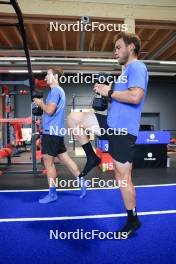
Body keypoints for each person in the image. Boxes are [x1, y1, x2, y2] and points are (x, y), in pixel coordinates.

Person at [67, 32, 149, 238]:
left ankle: (133, 219)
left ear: (131, 47)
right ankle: (92, 156)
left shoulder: (138, 67)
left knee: (122, 178)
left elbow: (135, 96)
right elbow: (122, 98)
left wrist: (109, 92)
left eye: (118, 47)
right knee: (74, 119)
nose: (115, 52)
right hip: (110, 124)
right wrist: (105, 95)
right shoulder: (126, 71)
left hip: (123, 131)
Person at [33, 66, 87, 203]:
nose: (45, 77)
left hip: (51, 133)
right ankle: (82, 182)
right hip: (56, 132)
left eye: (48, 75)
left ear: (55, 77)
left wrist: (40, 103)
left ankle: (52, 194)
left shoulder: (55, 91)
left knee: (49, 164)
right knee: (66, 159)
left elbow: (50, 111)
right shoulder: (59, 91)